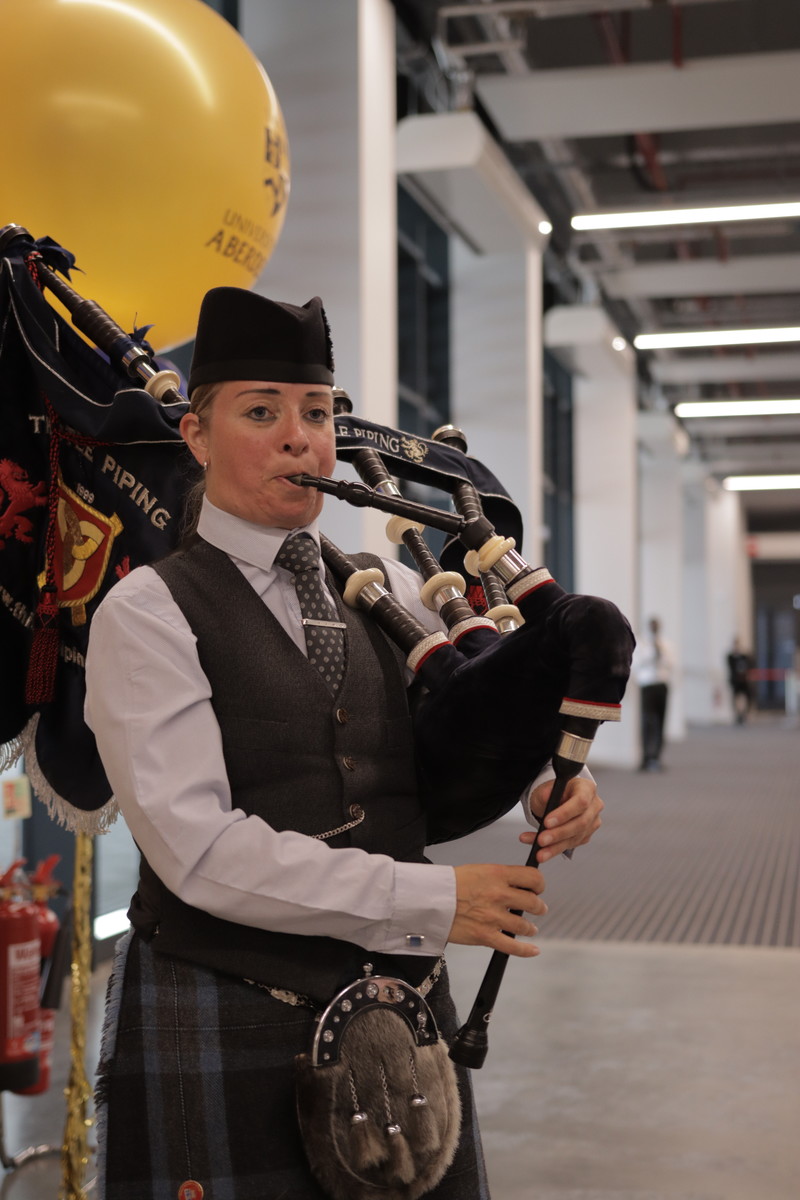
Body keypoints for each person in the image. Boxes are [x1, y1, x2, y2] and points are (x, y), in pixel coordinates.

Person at [85, 287, 605, 1200]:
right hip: (226, 1003)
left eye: (318, 414)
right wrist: (432, 899)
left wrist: (546, 782)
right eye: (262, 413)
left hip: (400, 1014)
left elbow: (449, 751)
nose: (301, 439)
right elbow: (197, 851)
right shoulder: (149, 611)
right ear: (196, 436)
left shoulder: (390, 594)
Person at [634, 615, 673, 772]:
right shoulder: (642, 644)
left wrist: (661, 652)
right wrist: (651, 654)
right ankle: (645, 756)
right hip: (647, 685)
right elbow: (636, 664)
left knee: (660, 721)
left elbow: (671, 663)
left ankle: (657, 756)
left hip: (661, 684)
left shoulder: (666, 644)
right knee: (647, 721)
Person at [726, 636, 754, 724]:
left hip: (744, 681)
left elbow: (750, 664)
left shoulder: (744, 657)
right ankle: (738, 715)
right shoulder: (730, 657)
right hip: (735, 681)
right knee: (735, 698)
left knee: (748, 697)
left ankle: (744, 714)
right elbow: (730, 667)